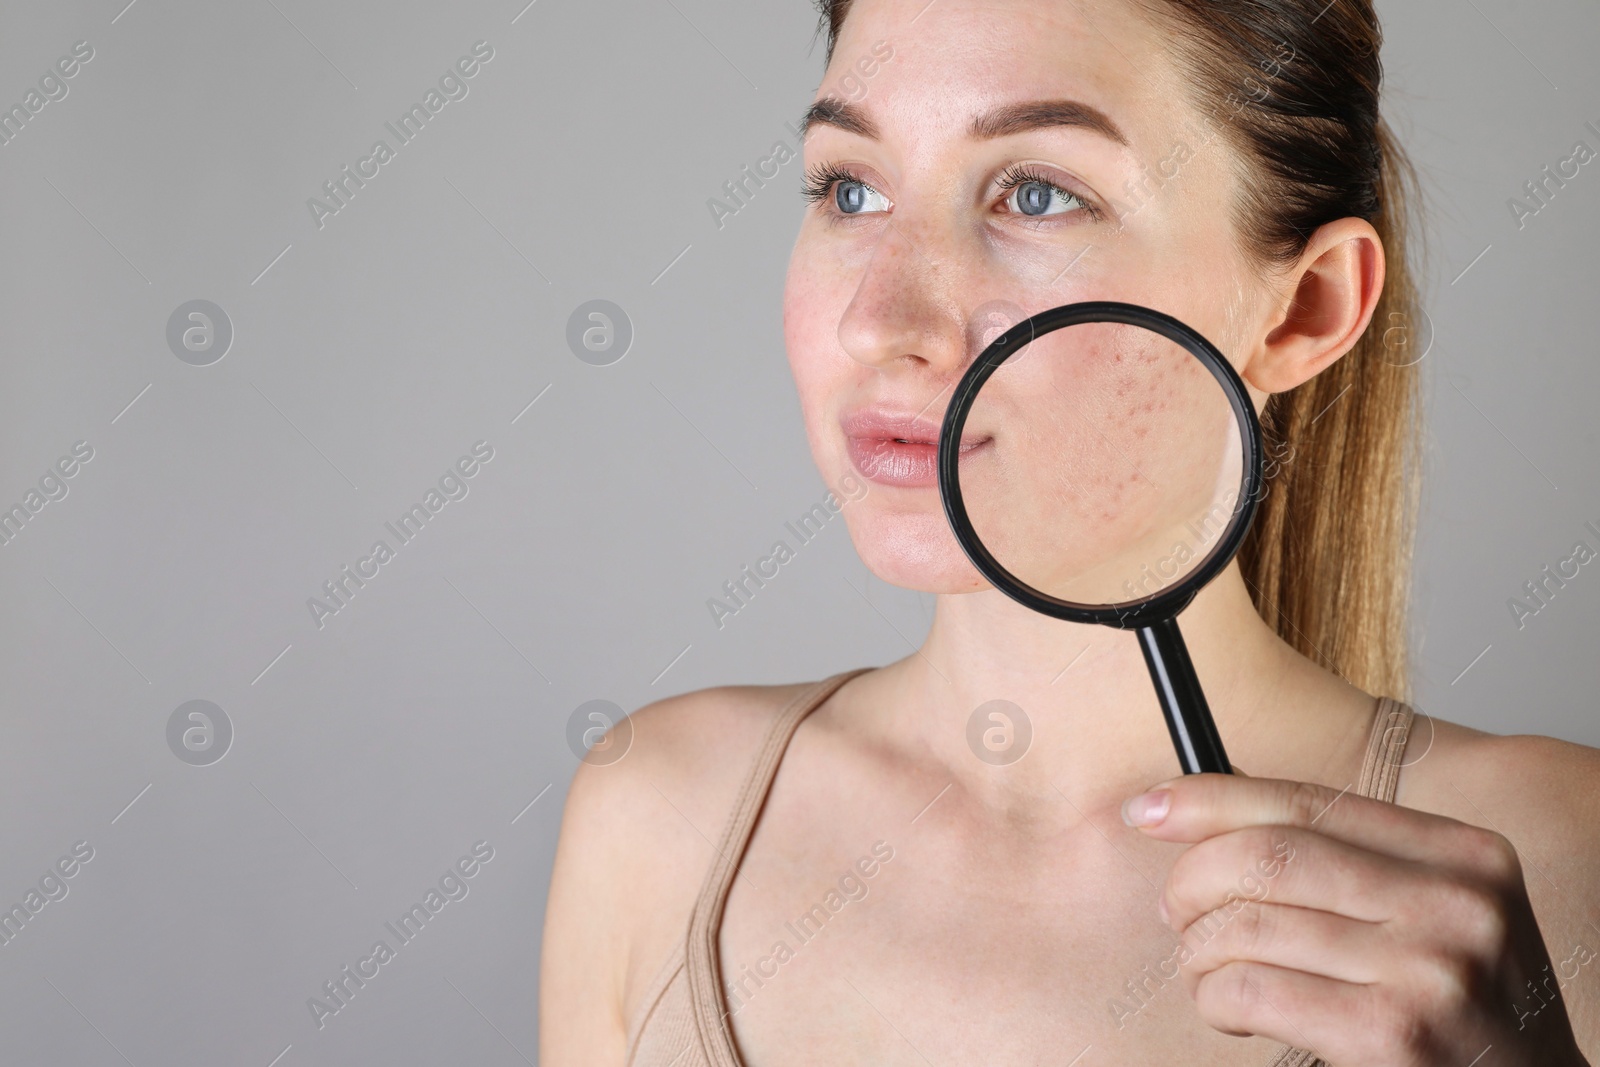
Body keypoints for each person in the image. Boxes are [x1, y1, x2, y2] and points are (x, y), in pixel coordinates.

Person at [540, 0, 1600, 1062]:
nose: (879, 318)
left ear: (1303, 309)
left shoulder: (1553, 855)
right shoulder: (656, 811)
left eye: (1036, 194)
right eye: (849, 189)